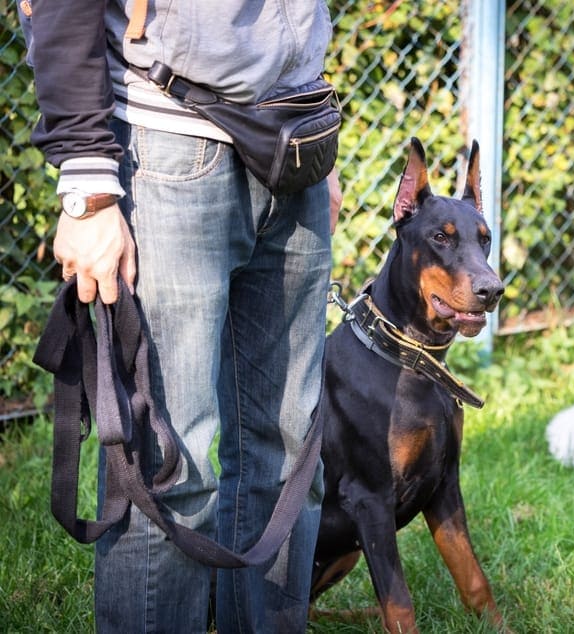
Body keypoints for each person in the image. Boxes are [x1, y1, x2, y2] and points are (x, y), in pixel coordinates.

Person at [23, 0, 341, 630]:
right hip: (165, 138)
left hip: (292, 143)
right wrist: (87, 181)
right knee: (170, 470)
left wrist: (309, 127)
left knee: (293, 458)